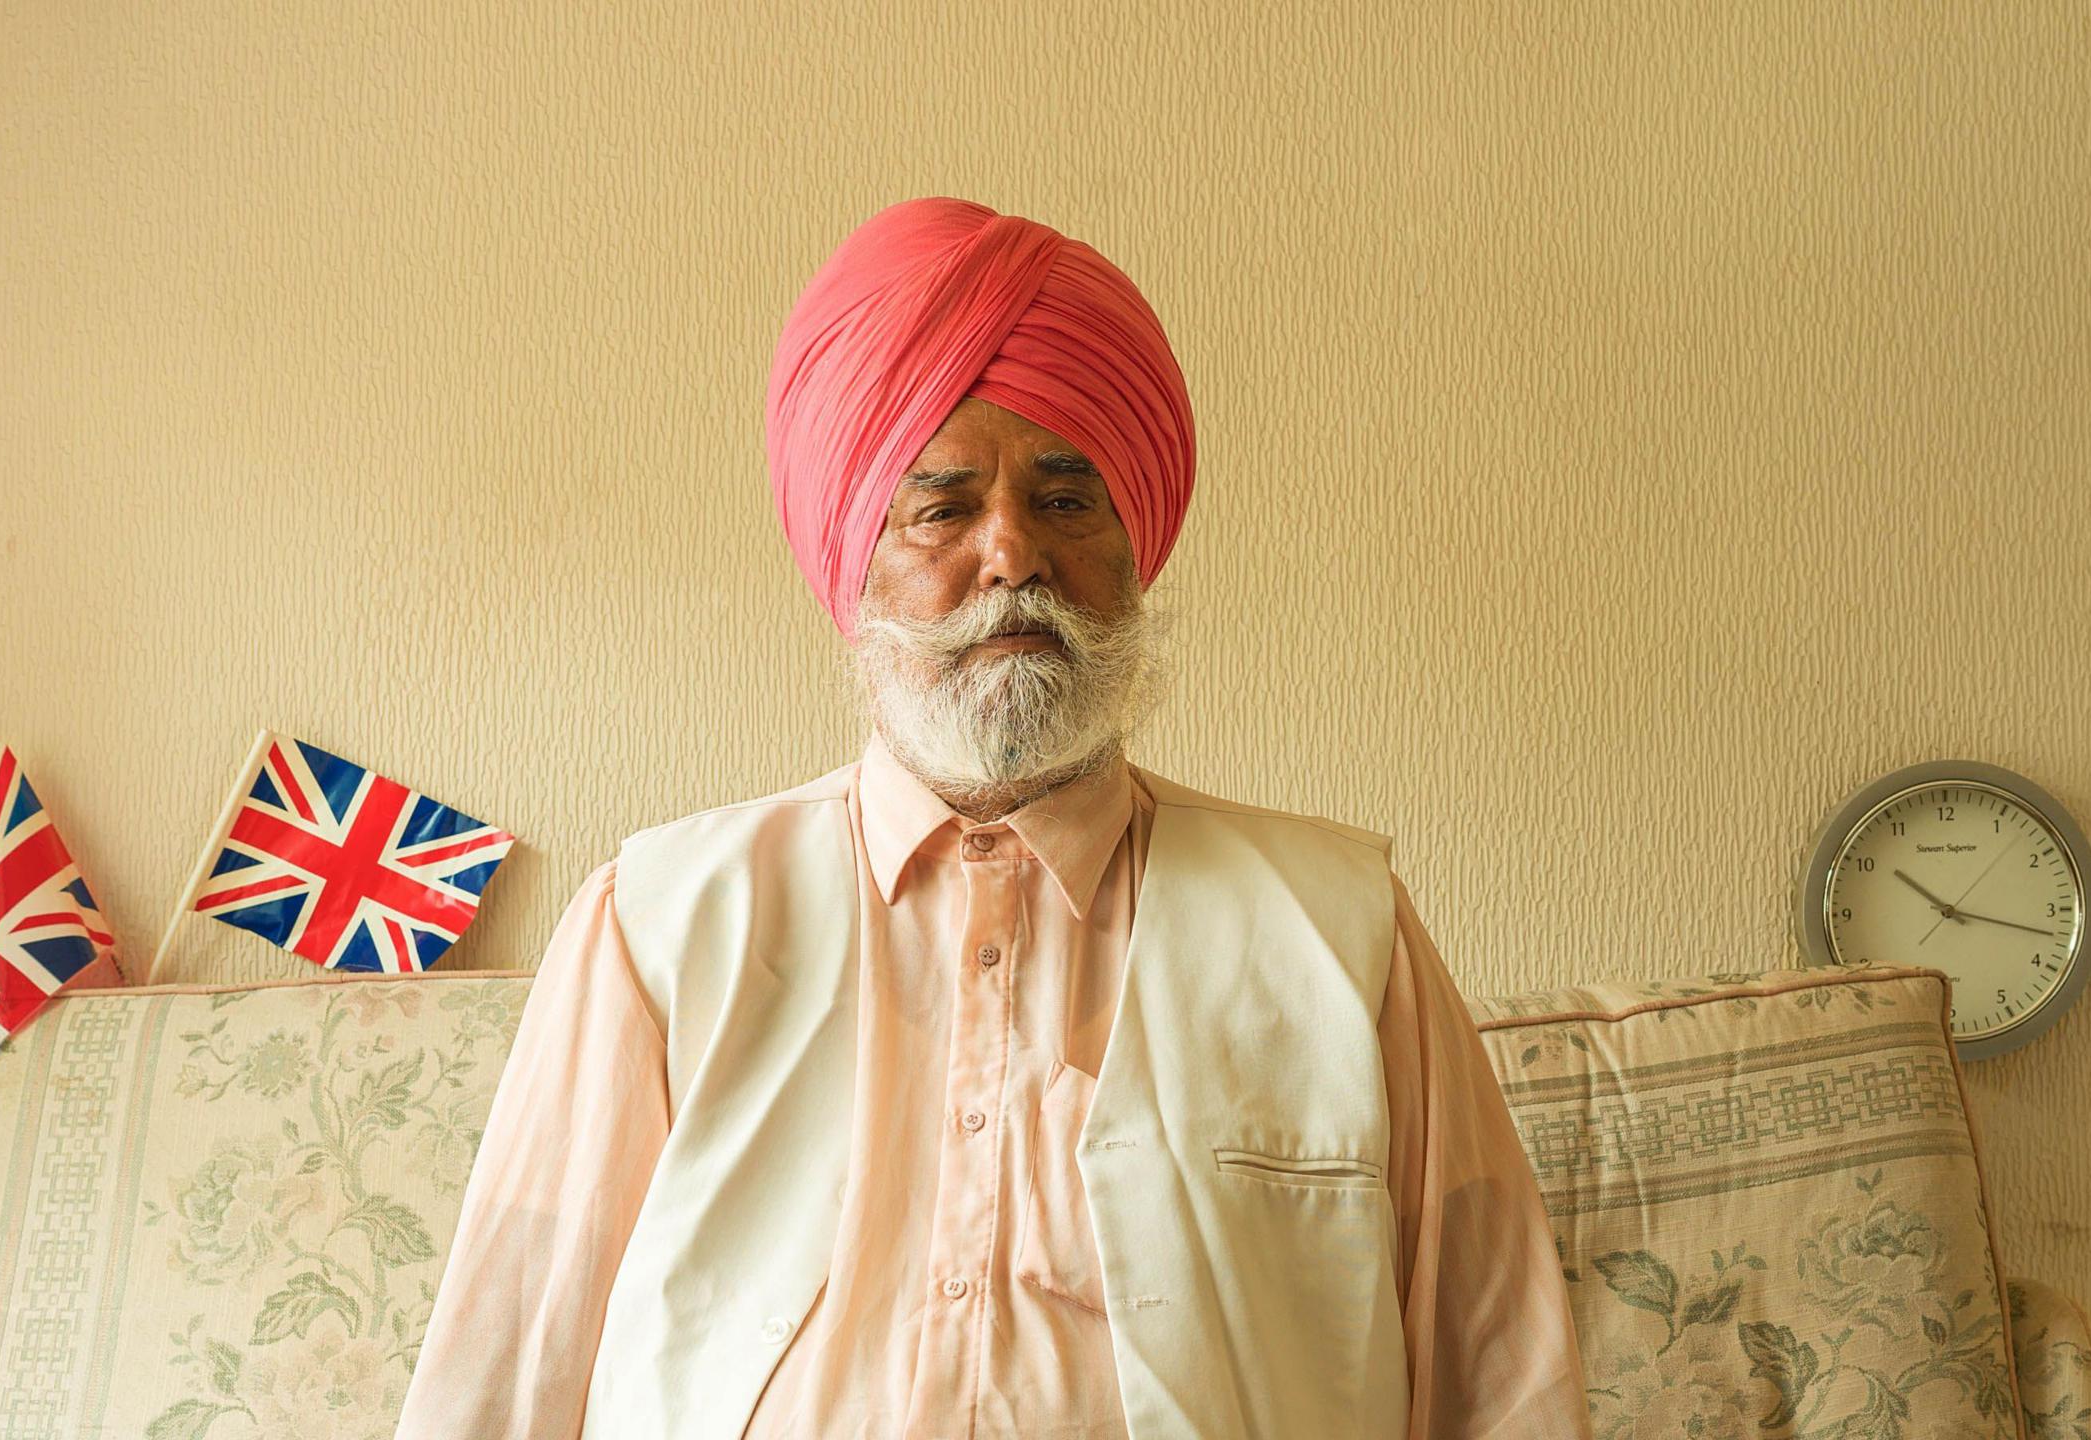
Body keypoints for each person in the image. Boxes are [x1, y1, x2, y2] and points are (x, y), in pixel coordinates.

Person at [394, 196, 1590, 1439]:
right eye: (943, 507)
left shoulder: (1337, 925)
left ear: (1136, 547)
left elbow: (1498, 1372)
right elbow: (511, 1364)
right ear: (855, 559)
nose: (1011, 553)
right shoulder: (659, 921)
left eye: (1067, 501)